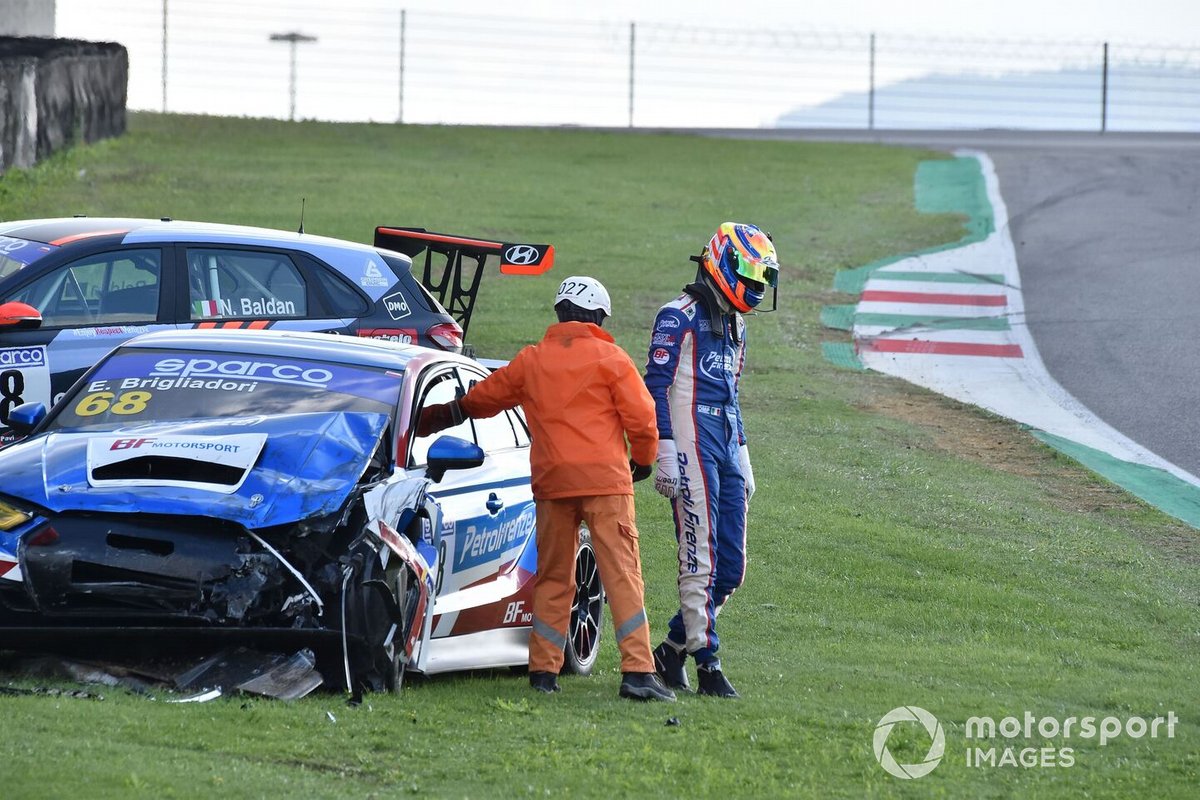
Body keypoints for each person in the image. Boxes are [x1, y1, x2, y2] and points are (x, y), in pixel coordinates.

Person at [417, 276, 675, 702]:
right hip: (606, 483)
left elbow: (483, 398)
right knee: (622, 575)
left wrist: (439, 416)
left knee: (554, 577)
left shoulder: (531, 360)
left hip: (552, 484)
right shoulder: (611, 358)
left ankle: (542, 672)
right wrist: (643, 460)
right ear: (596, 316)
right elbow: (643, 417)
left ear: (559, 313)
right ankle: (637, 671)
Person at [644, 222, 780, 699]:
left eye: (764, 279)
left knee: (732, 567)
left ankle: (670, 650)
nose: (758, 288)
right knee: (698, 557)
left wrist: (742, 454)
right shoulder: (675, 316)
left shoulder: (737, 326)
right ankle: (708, 662)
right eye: (753, 276)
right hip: (689, 446)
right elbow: (655, 387)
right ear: (724, 265)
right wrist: (662, 448)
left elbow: (733, 395)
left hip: (724, 442)